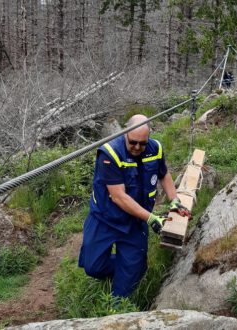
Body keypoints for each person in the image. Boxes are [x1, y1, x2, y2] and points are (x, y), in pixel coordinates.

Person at [78, 114, 191, 298]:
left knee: (124, 289)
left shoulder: (155, 149)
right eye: (133, 142)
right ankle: (132, 266)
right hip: (105, 220)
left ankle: (122, 293)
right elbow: (119, 197)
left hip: (134, 222)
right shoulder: (109, 154)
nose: (138, 147)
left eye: (142, 143)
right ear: (124, 134)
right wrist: (151, 218)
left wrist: (174, 200)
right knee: (93, 267)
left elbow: (164, 174)